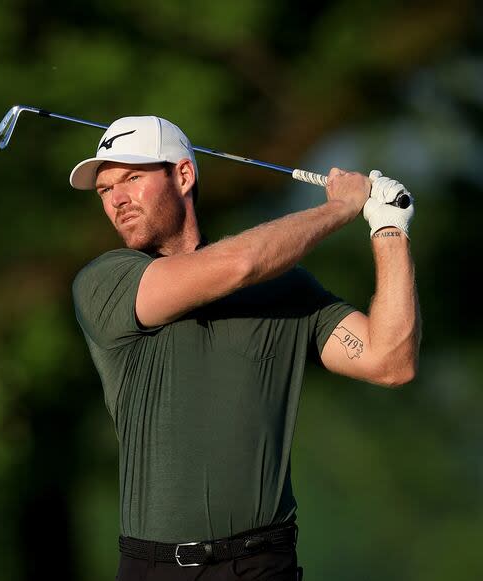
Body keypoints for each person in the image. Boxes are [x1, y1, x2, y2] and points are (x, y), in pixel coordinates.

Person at [69, 115, 421, 581]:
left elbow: (391, 360)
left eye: (132, 178)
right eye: (105, 190)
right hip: (155, 568)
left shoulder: (286, 291)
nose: (117, 200)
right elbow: (237, 264)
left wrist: (389, 229)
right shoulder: (104, 282)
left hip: (262, 564)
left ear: (184, 175)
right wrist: (339, 209)